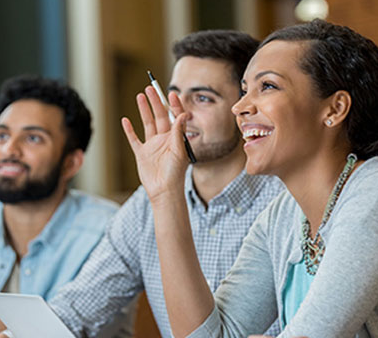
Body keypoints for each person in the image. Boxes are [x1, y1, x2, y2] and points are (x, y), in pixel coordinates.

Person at [122, 19, 378, 337]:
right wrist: (165, 194)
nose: (240, 107)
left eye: (268, 86)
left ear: (334, 108)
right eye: (245, 91)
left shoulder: (374, 191)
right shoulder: (282, 217)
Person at [39, 30, 285, 338]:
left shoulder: (285, 201)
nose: (179, 113)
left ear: (245, 106)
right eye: (173, 95)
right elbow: (77, 309)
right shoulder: (147, 203)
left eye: (203, 98)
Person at [0, 76, 132, 337]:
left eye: (32, 138)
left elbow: (64, 331)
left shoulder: (108, 229)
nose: (9, 149)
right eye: (2, 135)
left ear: (70, 164)